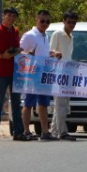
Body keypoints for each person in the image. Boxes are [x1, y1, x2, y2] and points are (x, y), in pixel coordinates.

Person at [0, 7, 28, 141]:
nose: (11, 18)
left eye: (14, 16)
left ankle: (18, 132)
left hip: (15, 72)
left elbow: (16, 50)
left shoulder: (15, 31)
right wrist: (1, 56)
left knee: (16, 103)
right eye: (9, 16)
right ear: (4, 16)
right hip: (0, 72)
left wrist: (18, 50)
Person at [20, 10, 59, 141]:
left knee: (43, 104)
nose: (45, 24)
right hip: (32, 74)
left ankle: (45, 132)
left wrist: (53, 53)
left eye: (48, 21)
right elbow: (20, 52)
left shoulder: (45, 36)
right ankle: (25, 131)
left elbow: (44, 53)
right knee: (29, 103)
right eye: (42, 21)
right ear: (36, 19)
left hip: (45, 74)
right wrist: (27, 56)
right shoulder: (29, 35)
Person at [49, 10, 79, 141]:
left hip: (68, 73)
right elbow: (49, 52)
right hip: (58, 73)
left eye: (73, 22)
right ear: (64, 22)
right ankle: (63, 132)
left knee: (62, 104)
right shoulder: (57, 34)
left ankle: (54, 131)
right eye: (69, 22)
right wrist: (56, 53)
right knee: (60, 103)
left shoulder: (72, 37)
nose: (71, 24)